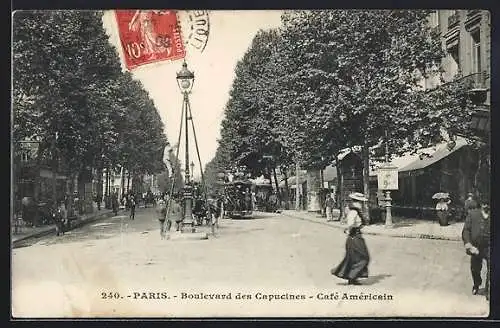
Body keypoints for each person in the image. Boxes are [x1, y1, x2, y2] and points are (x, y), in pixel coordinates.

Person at [331, 192, 370, 285]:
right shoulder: (353, 212)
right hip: (354, 237)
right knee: (363, 257)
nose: (361, 204)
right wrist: (349, 230)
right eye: (360, 202)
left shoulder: (356, 212)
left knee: (353, 258)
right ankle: (352, 276)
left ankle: (352, 277)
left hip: (356, 236)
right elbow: (350, 224)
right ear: (355, 202)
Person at [462, 200, 490, 300]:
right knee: (475, 268)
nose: (487, 206)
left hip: (490, 246)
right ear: (481, 204)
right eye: (485, 203)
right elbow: (466, 230)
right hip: (476, 247)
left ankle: (489, 291)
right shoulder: (473, 214)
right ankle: (477, 283)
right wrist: (469, 244)